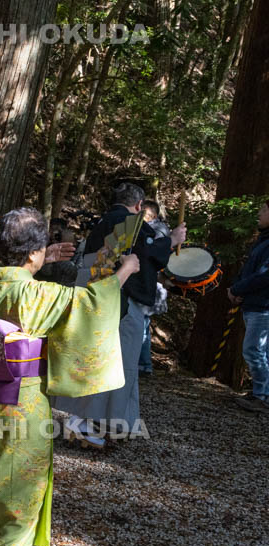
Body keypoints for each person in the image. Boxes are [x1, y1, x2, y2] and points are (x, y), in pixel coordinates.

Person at [0, 207, 139, 546]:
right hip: (22, 397)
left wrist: (40, 262)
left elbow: (26, 290)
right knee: (21, 469)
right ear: (32, 253)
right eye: (42, 248)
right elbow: (89, 304)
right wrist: (124, 272)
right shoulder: (35, 294)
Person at [57, 183, 185, 448]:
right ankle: (85, 423)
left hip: (94, 298)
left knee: (99, 359)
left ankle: (114, 424)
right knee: (114, 363)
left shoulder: (102, 223)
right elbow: (149, 252)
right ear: (138, 206)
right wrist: (172, 241)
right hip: (117, 302)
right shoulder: (130, 222)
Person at [229, 201, 269, 412]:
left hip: (263, 305)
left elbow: (264, 276)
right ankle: (261, 392)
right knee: (261, 351)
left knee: (253, 350)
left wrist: (238, 290)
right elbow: (249, 270)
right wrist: (237, 289)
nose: (259, 213)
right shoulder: (262, 241)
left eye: (264, 210)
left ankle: (262, 395)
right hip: (254, 303)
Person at [138, 200, 170, 376]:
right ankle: (143, 364)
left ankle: (143, 365)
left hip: (152, 284)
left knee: (142, 325)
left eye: (144, 214)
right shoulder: (151, 229)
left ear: (154, 216)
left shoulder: (158, 231)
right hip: (149, 283)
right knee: (143, 324)